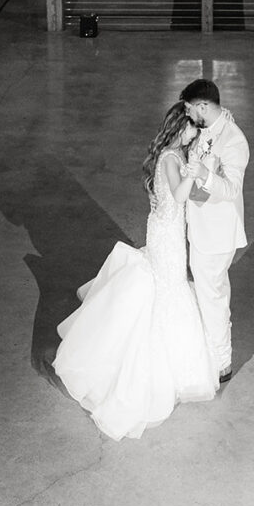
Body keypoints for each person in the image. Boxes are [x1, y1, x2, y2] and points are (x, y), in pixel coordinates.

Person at [53, 103, 219, 440]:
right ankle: (166, 371)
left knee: (166, 286)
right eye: (192, 128)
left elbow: (185, 197)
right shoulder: (172, 159)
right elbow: (179, 194)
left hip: (164, 229)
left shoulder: (171, 156)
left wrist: (200, 172)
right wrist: (198, 167)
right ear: (179, 128)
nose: (196, 132)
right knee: (169, 287)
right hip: (168, 236)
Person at [180, 77, 249, 383]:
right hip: (201, 229)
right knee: (213, 293)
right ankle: (214, 353)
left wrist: (205, 175)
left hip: (216, 234)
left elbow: (232, 189)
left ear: (203, 106)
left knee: (213, 298)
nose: (187, 113)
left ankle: (221, 363)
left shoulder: (234, 140)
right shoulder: (210, 128)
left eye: (190, 108)